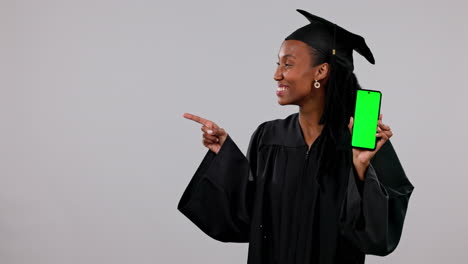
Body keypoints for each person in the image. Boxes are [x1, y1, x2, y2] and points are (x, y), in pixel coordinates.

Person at [177, 9, 414, 264]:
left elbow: (377, 237)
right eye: (277, 64)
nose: (277, 74)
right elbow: (245, 217)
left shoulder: (361, 140)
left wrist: (360, 167)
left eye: (287, 64)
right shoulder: (268, 137)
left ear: (320, 72)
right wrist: (224, 154)